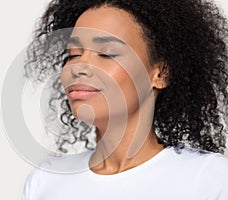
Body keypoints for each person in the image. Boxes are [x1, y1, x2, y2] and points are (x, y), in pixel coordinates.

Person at [23, 0, 228, 199]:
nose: (79, 67)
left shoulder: (209, 180)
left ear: (160, 74)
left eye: (106, 54)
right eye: (73, 55)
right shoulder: (47, 181)